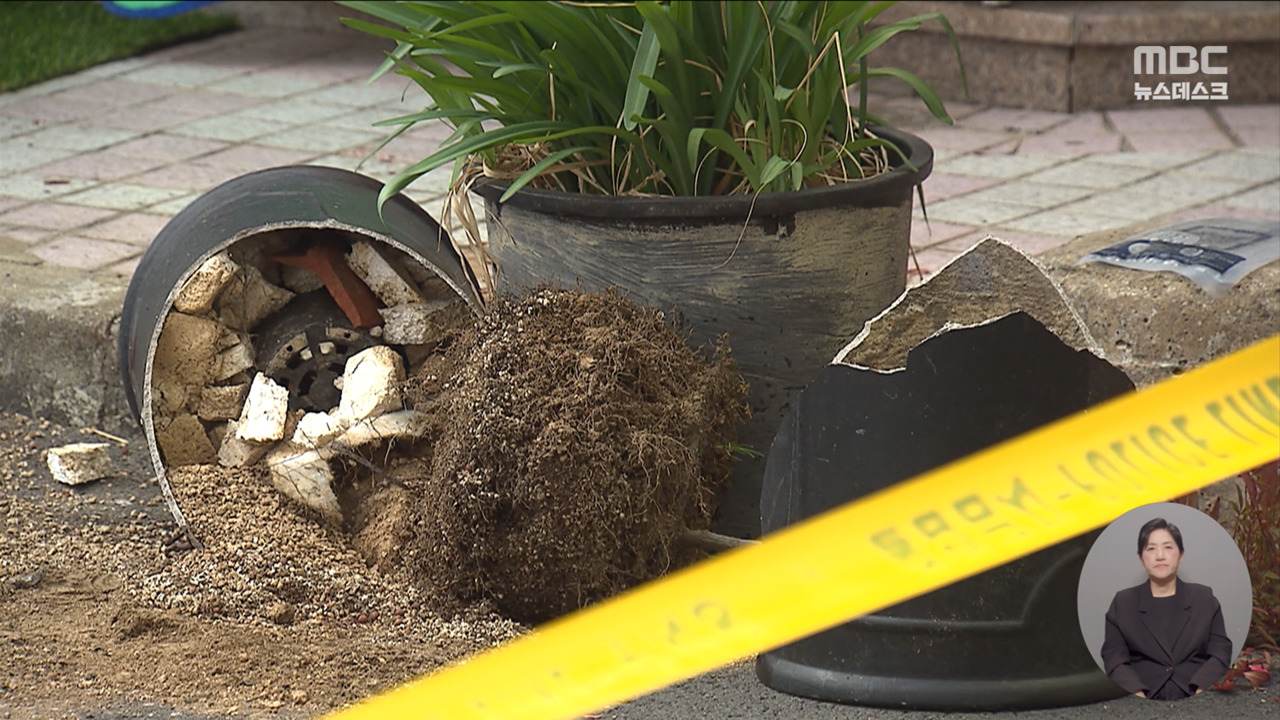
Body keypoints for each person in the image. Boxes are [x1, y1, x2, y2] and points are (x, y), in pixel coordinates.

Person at [1100, 518, 1233, 700]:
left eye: (1168, 547)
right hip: (1145, 692)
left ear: (1181, 555)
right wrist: (1136, 694)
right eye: (1151, 548)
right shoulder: (1123, 603)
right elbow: (1114, 658)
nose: (1160, 556)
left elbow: (1221, 650)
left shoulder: (1204, 598)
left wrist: (1202, 689)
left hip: (1194, 690)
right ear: (1141, 558)